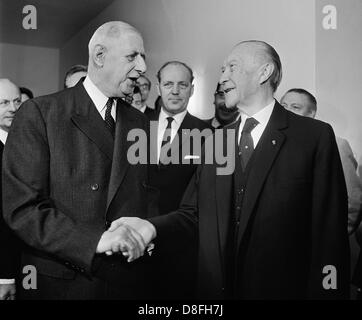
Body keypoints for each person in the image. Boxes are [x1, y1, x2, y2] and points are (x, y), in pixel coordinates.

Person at [112, 40, 350, 299]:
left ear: (264, 72)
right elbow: (194, 213)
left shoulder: (313, 137)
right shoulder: (216, 140)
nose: (222, 77)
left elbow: (330, 233)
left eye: (231, 68)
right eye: (222, 69)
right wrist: (150, 227)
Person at [2, 21, 156, 300]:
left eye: (143, 57)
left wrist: (149, 233)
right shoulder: (40, 113)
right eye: (133, 56)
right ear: (99, 56)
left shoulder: (139, 122)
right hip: (63, 285)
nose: (143, 67)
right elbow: (22, 210)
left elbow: (145, 191)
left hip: (127, 281)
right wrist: (95, 240)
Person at [147, 61, 211, 298]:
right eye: (168, 84)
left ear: (192, 89)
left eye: (182, 85)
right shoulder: (134, 126)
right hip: (135, 242)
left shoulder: (208, 134)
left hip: (181, 245)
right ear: (158, 87)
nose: (175, 91)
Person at [280, 88, 362, 234]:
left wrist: (333, 237)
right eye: (283, 106)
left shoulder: (336, 144)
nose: (287, 111)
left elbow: (352, 200)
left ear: (311, 114)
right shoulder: (274, 146)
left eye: (295, 107)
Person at [0, 79, 22, 300]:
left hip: (27, 262)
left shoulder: (29, 141)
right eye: (4, 102)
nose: (13, 109)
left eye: (17, 101)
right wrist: (4, 276)